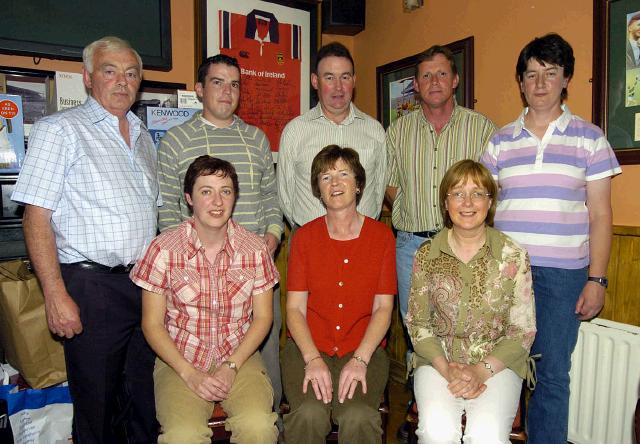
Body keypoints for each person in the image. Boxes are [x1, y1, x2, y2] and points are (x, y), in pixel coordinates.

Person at [11, 36, 159, 443]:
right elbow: (35, 218)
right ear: (88, 78)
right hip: (93, 287)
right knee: (97, 407)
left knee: (143, 401)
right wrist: (55, 294)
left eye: (131, 74)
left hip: (144, 287)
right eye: (110, 71)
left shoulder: (144, 137)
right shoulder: (60, 130)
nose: (122, 82)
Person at [481, 33, 621, 444]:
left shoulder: (589, 139)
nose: (540, 83)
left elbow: (601, 214)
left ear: (566, 80)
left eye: (550, 73)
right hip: (506, 277)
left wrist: (597, 280)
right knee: (499, 368)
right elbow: (481, 211)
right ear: (521, 83)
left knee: (552, 375)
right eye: (531, 74)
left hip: (564, 278)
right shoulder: (499, 141)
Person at [157, 54, 284, 414]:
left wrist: (272, 236)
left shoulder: (255, 139)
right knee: (191, 356)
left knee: (264, 358)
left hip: (251, 273)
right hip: (191, 277)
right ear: (199, 89)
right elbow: (167, 208)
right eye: (217, 82)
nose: (227, 91)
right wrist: (183, 265)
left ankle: (262, 427)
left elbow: (271, 199)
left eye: (234, 84)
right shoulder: (176, 141)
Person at [131, 156, 279, 444]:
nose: (217, 201)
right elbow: (151, 324)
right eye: (206, 191)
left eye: (225, 191)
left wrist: (231, 365)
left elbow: (263, 319)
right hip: (180, 358)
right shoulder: (163, 249)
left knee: (259, 427)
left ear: (235, 198)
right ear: (189, 198)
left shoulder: (255, 249)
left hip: (239, 355)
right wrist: (189, 374)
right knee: (181, 436)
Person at [282, 145, 396, 444]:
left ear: (358, 184)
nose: (335, 183)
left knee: (358, 416)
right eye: (325, 176)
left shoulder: (382, 236)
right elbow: (294, 309)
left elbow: (384, 308)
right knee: (309, 414)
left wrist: (360, 359)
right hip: (308, 345)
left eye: (344, 174)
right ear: (317, 190)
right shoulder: (303, 237)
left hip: (363, 348)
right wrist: (311, 359)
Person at [385, 44, 496, 324]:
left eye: (442, 73)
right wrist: (414, 209)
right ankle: (418, 370)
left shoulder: (481, 128)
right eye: (426, 76)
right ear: (415, 85)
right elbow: (389, 184)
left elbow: (491, 189)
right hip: (412, 246)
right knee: (415, 326)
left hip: (465, 244)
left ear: (455, 79)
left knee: (463, 323)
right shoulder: (398, 131)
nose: (434, 82)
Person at [278, 42, 386, 229]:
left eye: (345, 77)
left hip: (364, 242)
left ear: (354, 80)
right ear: (315, 81)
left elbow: (379, 191)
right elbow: (285, 195)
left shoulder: (374, 130)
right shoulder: (295, 131)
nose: (338, 87)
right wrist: (305, 233)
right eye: (329, 78)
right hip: (311, 244)